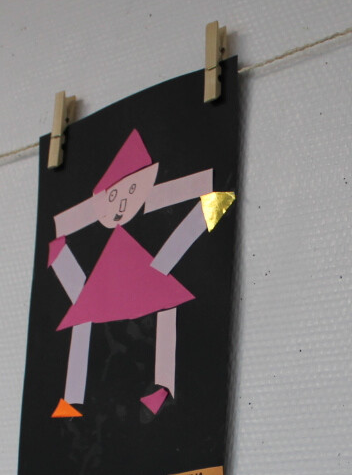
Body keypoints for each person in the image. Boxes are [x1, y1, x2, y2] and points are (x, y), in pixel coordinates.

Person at [44, 129, 222, 417]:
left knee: (164, 304)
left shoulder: (151, 201)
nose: (122, 204)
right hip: (111, 276)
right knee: (84, 314)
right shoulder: (104, 215)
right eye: (113, 195)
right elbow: (66, 222)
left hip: (140, 271)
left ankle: (162, 387)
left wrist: (212, 204)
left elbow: (201, 187)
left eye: (130, 191)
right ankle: (72, 398)